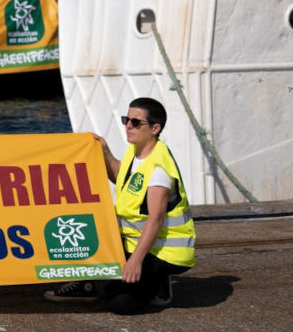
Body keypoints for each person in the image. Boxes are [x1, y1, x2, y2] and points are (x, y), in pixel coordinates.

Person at [44, 97, 195, 313]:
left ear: (155, 128)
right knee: (87, 232)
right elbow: (121, 177)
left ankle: (158, 283)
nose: (128, 126)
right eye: (127, 120)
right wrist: (104, 152)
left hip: (165, 252)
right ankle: (93, 284)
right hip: (133, 242)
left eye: (136, 122)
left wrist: (135, 261)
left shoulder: (159, 169)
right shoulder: (136, 152)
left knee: (120, 304)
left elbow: (155, 219)